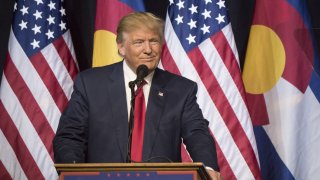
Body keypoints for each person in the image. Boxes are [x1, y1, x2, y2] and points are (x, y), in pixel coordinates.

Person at [53, 12, 221, 179]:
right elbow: (70, 135)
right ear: (121, 47)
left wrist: (208, 167)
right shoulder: (91, 84)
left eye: (154, 41)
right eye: (139, 42)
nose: (148, 50)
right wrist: (74, 173)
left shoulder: (181, 89)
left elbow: (197, 133)